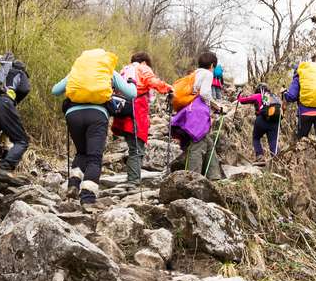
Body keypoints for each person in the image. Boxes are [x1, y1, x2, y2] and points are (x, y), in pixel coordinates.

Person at [52, 51, 137, 209]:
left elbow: (55, 90)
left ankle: (73, 184)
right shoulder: (108, 70)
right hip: (97, 115)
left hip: (73, 115)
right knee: (94, 157)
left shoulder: (76, 71)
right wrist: (132, 82)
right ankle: (88, 197)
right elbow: (132, 94)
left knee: (81, 153)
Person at [111, 52, 172, 184]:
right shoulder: (142, 68)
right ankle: (133, 181)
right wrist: (169, 88)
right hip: (136, 111)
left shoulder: (124, 70)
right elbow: (153, 82)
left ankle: (131, 178)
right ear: (144, 62)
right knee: (137, 148)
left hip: (122, 112)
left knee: (132, 146)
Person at [0, 57, 31, 172]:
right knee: (21, 141)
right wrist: (15, 101)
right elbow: (25, 89)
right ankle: (4, 168)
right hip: (4, 103)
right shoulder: (20, 72)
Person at [184, 51, 225, 180]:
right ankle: (193, 179)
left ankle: (214, 176)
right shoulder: (207, 74)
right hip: (199, 113)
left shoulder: (195, 73)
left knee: (208, 141)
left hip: (189, 110)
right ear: (212, 65)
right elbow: (204, 93)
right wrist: (216, 106)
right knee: (198, 143)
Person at [282, 58, 316, 147]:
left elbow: (291, 96)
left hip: (305, 113)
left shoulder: (299, 76)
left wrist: (284, 93)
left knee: (301, 141)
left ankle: (300, 156)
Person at [237, 83, 282, 163]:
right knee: (273, 141)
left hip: (261, 120)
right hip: (275, 122)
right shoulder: (275, 97)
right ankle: (277, 161)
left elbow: (242, 100)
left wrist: (239, 95)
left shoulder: (258, 96)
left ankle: (260, 157)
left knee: (256, 138)